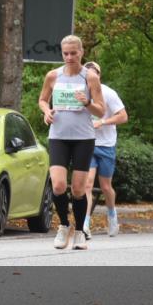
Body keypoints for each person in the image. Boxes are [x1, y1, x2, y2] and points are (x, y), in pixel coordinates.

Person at [38, 36, 105, 251]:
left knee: (77, 189)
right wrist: (46, 111)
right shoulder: (53, 75)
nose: (69, 57)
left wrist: (87, 102)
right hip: (58, 136)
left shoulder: (90, 77)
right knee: (58, 185)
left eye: (73, 53)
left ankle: (80, 232)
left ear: (81, 52)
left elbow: (101, 110)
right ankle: (64, 226)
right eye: (65, 53)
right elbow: (42, 100)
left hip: (83, 138)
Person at [81, 61, 128, 238]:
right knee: (87, 184)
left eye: (94, 73)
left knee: (106, 186)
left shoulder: (108, 93)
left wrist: (103, 122)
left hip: (106, 145)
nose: (91, 77)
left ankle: (112, 216)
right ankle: (85, 224)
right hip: (87, 143)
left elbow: (123, 116)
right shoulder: (80, 94)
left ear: (99, 76)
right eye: (88, 74)